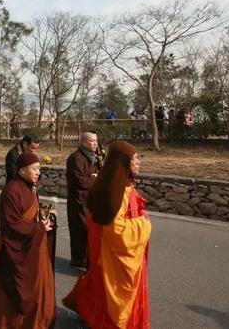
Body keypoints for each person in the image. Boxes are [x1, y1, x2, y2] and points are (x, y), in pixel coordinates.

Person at [62, 141, 151, 329]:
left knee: (99, 287)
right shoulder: (117, 192)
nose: (138, 163)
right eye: (135, 159)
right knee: (113, 297)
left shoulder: (110, 184)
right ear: (123, 163)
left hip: (103, 253)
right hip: (114, 256)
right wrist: (144, 224)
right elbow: (116, 229)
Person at [0, 152, 56, 329]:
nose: (38, 172)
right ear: (22, 170)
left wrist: (44, 220)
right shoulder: (12, 190)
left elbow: (31, 215)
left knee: (38, 285)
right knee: (5, 286)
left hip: (33, 244)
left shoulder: (29, 186)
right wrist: (39, 228)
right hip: (15, 247)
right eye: (34, 169)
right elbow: (12, 225)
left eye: (39, 168)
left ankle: (35, 322)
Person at [65, 132, 100, 270]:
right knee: (79, 230)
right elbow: (79, 180)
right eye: (92, 141)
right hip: (78, 200)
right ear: (84, 142)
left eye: (96, 141)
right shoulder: (75, 158)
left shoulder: (94, 157)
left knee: (89, 231)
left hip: (90, 200)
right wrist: (93, 178)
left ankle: (86, 259)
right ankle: (79, 259)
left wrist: (95, 176)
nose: (95, 144)